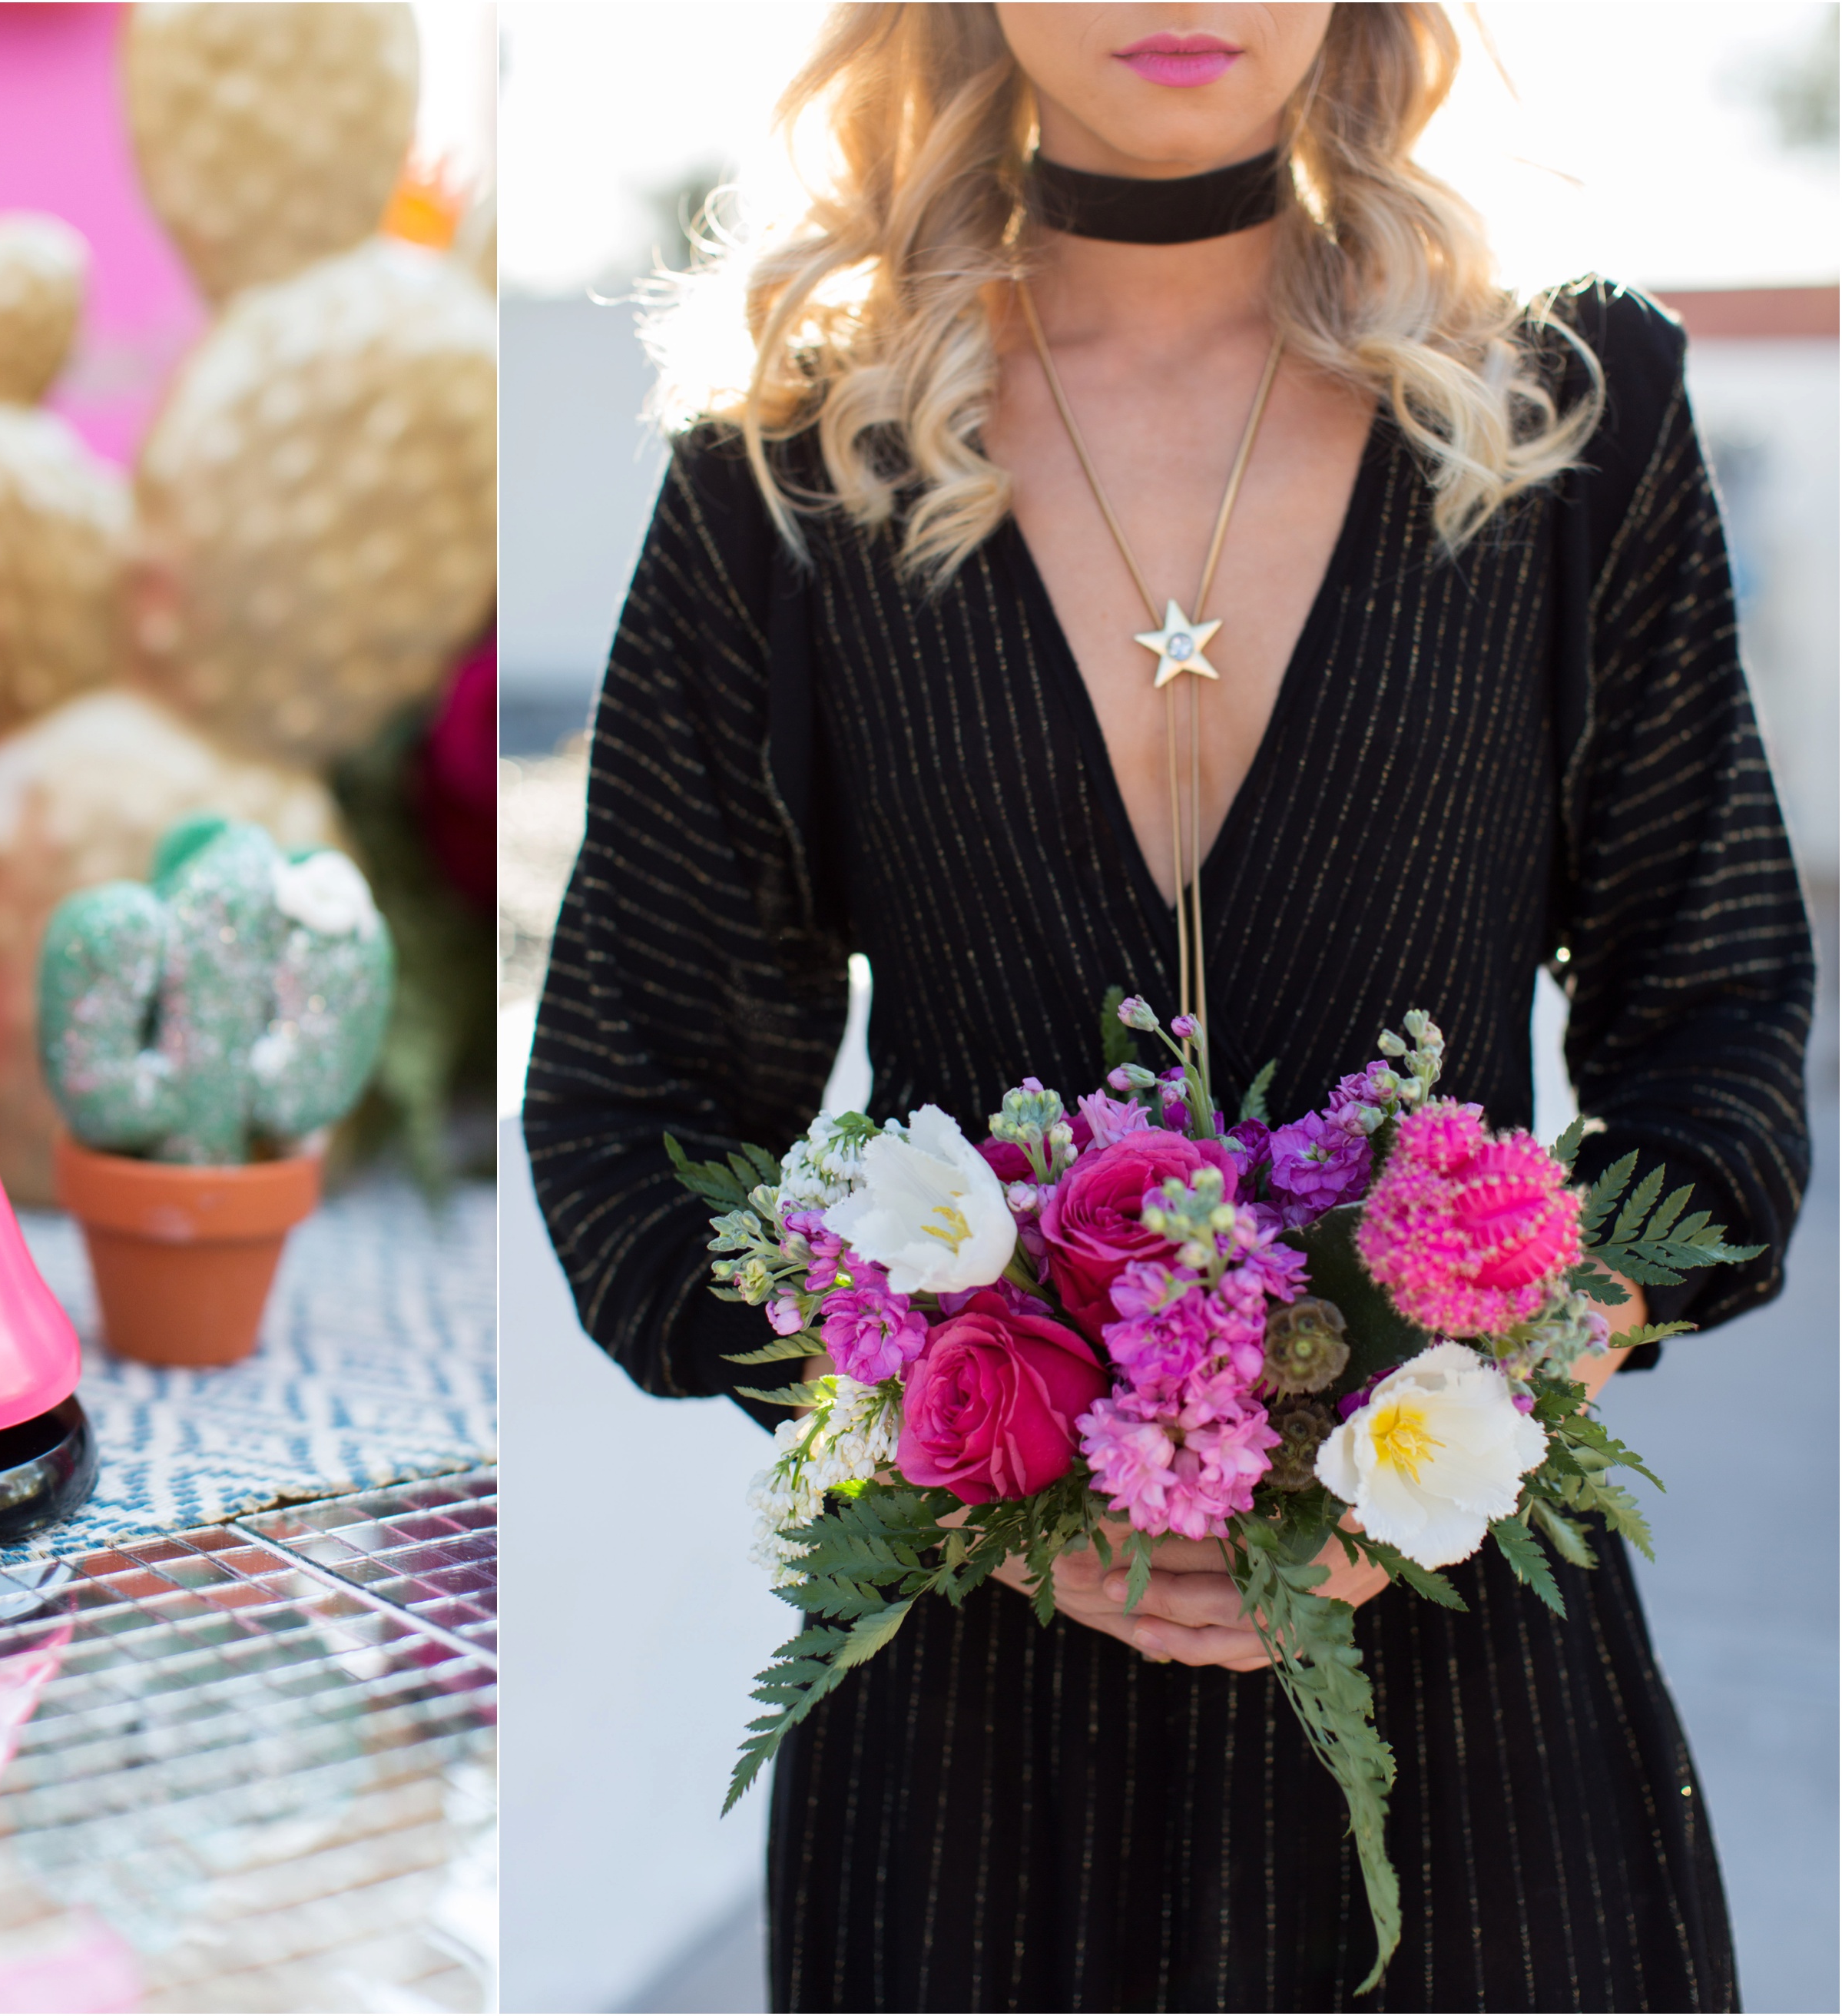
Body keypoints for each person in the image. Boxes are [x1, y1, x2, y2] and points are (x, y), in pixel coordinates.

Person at [522, 5, 1814, 2010]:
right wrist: (955, 1447)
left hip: (1470, 1721)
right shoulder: (788, 468)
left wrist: (1475, 1393)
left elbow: (1717, 1030)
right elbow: (630, 1109)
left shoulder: (1565, 411)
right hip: (966, 1772)